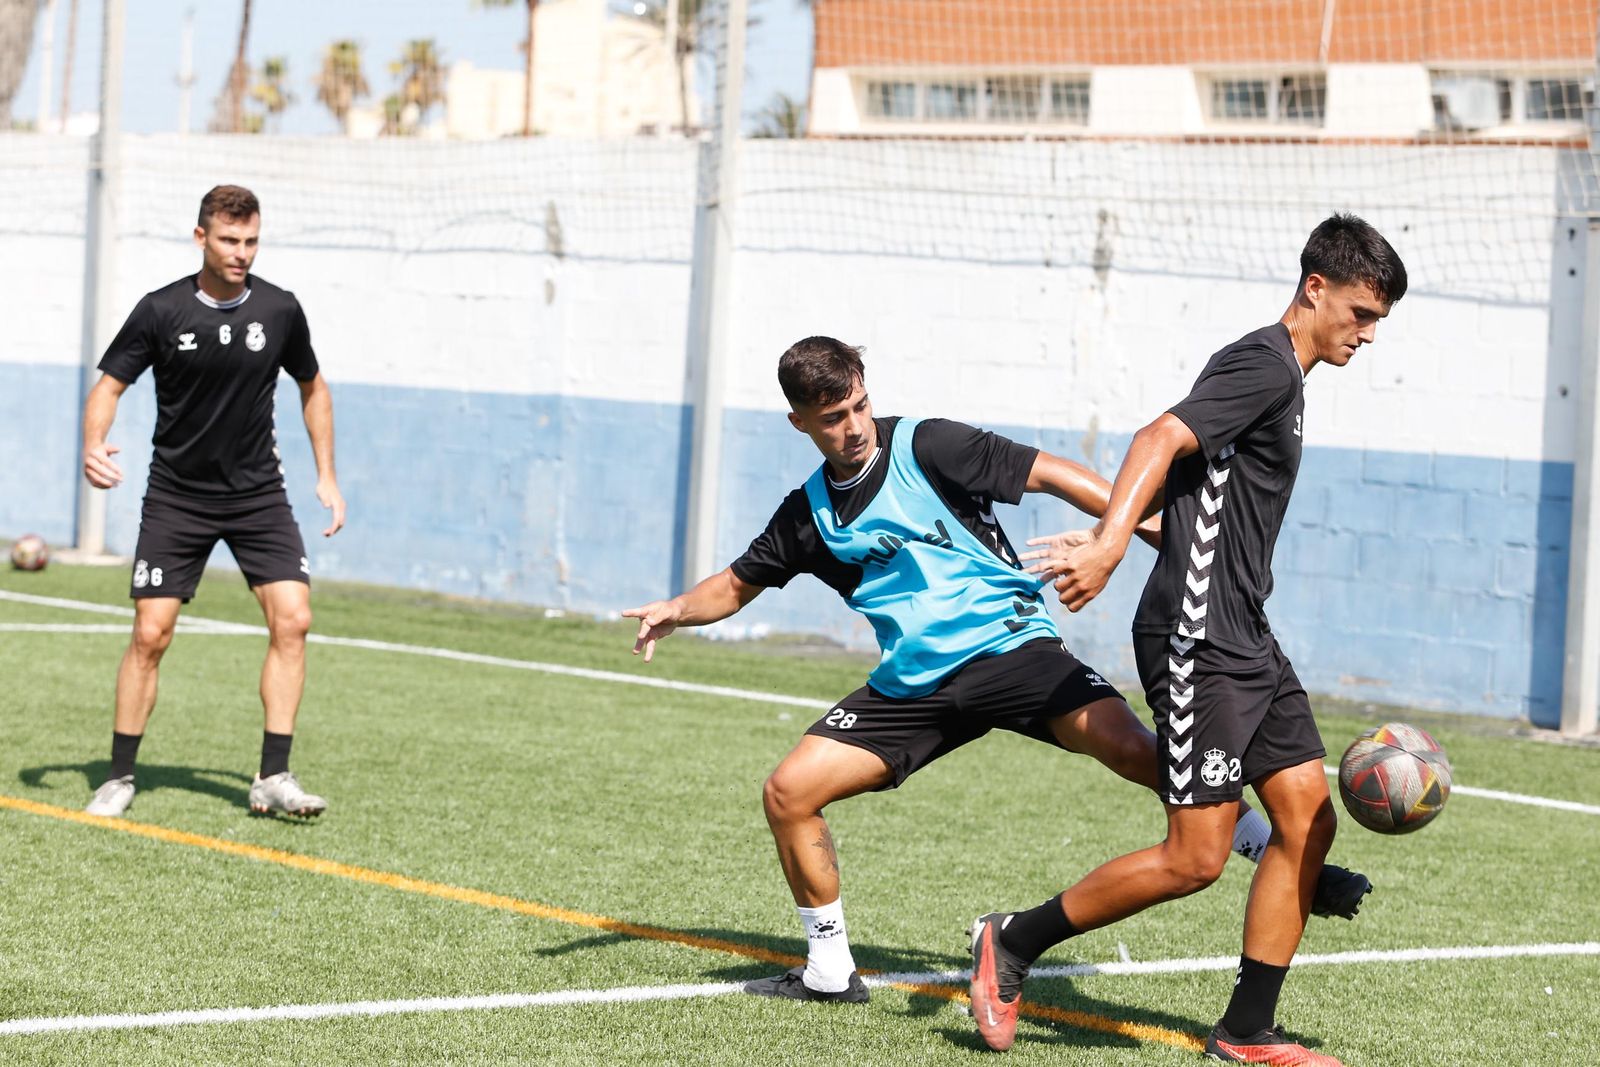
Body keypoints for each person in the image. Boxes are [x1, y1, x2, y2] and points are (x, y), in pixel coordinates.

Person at [623, 336, 1367, 1005]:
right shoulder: (809, 514)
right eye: (831, 417)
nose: (851, 426)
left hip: (1013, 650)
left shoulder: (928, 445)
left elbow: (1053, 475)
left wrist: (1134, 534)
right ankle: (827, 967)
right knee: (788, 791)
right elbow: (736, 582)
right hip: (915, 686)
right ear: (801, 425)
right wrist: (676, 608)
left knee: (1143, 754)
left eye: (857, 405)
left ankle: (1278, 849)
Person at [968, 214, 1406, 1064]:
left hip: (1246, 630)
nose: (1368, 333)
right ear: (1315, 289)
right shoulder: (1264, 364)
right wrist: (1104, 543)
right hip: (1198, 638)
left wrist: (1129, 528)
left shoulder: (1288, 379)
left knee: (1307, 818)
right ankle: (1013, 940)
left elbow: (1197, 505)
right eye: (1360, 312)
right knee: (1196, 856)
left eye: (1378, 319)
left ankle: (1246, 1033)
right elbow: (1158, 437)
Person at [80, 184, 345, 820]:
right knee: (151, 632)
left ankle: (273, 776)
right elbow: (109, 385)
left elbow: (314, 388)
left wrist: (327, 476)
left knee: (295, 620)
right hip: (178, 498)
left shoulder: (280, 311)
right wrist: (93, 442)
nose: (242, 253)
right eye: (230, 240)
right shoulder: (161, 311)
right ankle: (118, 777)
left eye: (252, 241)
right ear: (201, 238)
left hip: (258, 496)